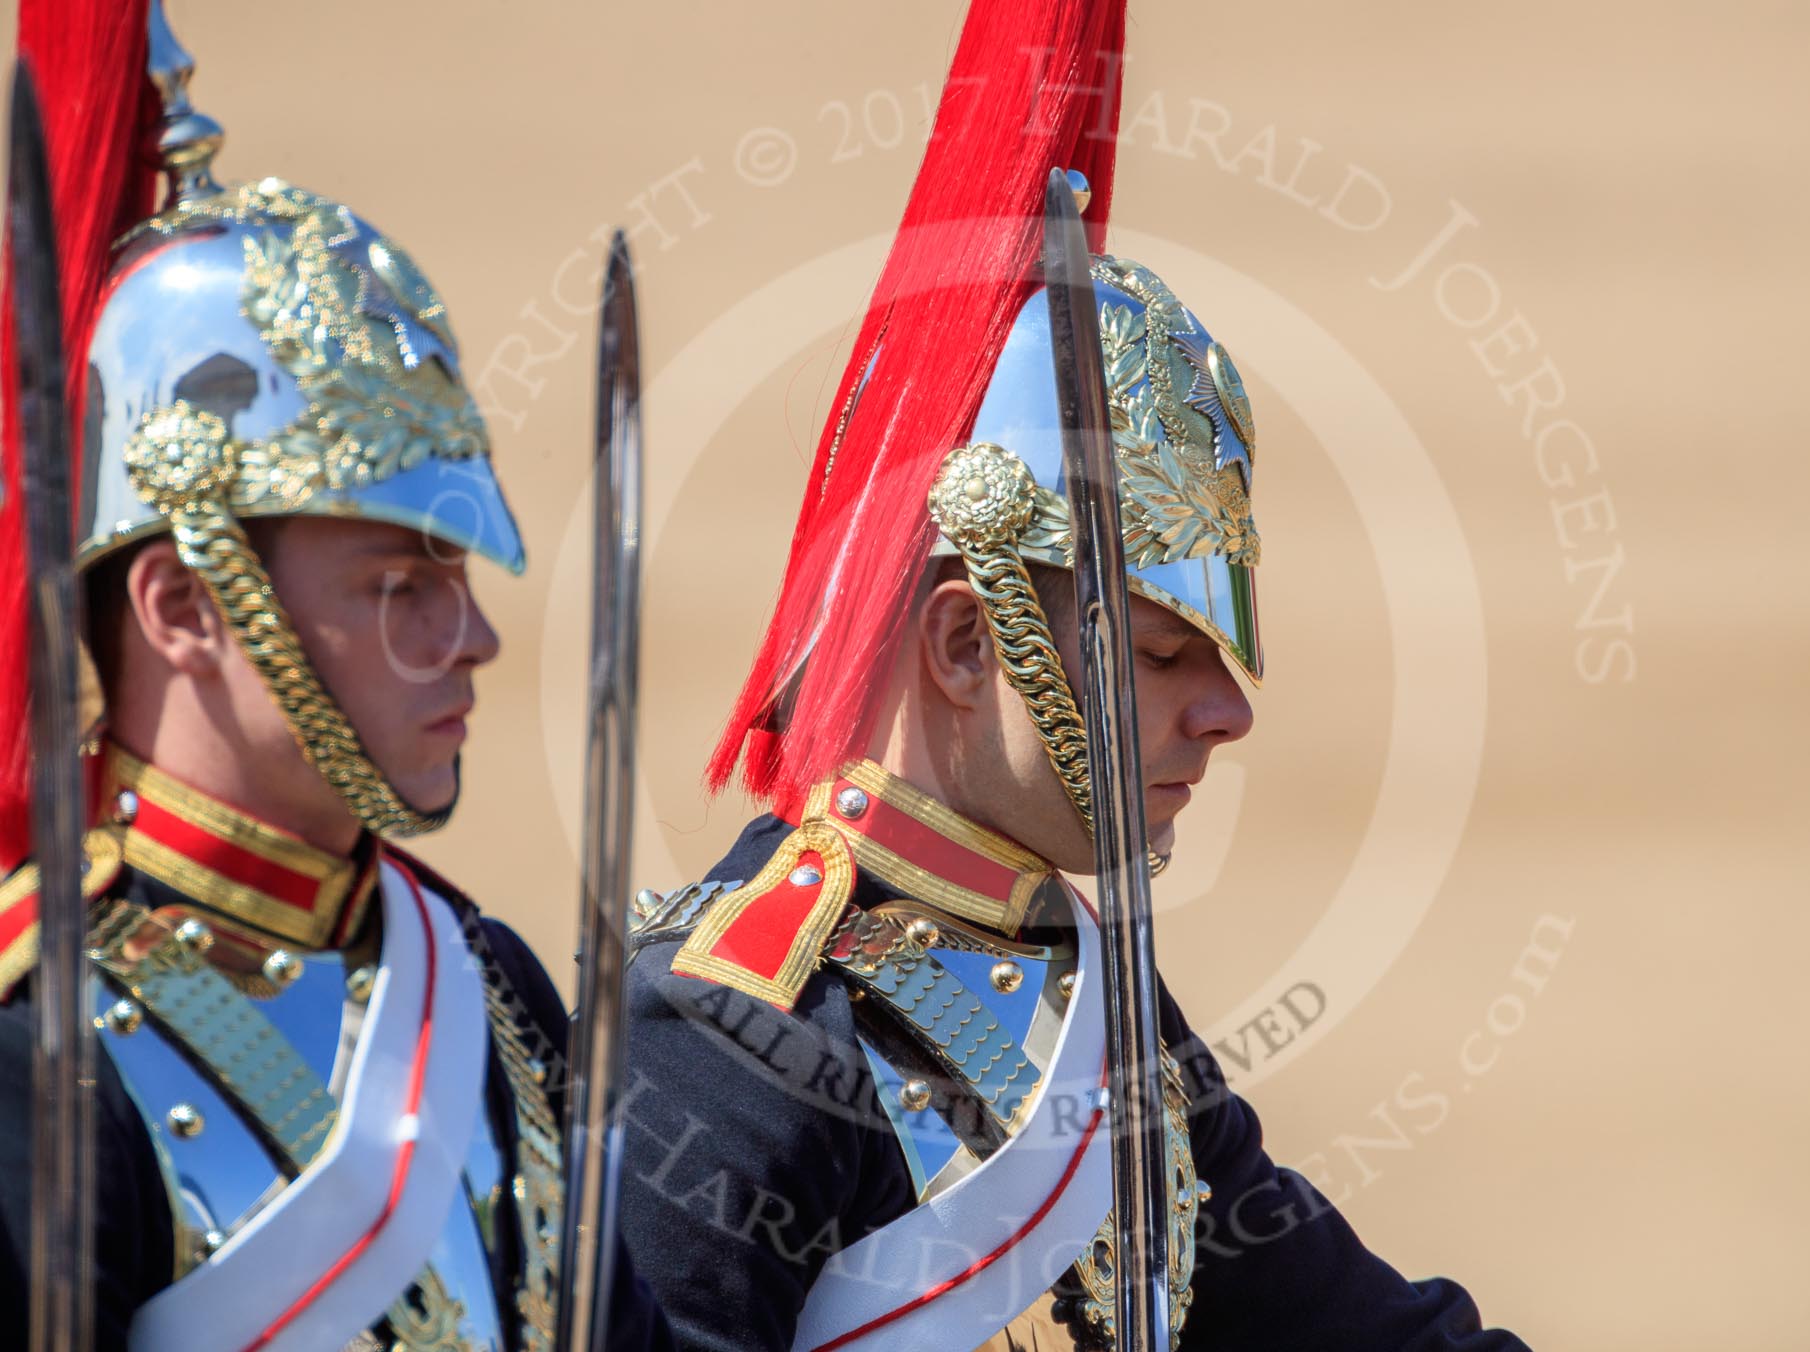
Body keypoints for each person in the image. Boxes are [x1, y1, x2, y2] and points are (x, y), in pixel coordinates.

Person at [617, 1, 1533, 1348]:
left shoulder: (1080, 987)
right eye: (1164, 656)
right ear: (964, 644)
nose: (1224, 715)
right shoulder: (725, 1040)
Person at [0, 2, 675, 1347]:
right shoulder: (41, 1049)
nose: (473, 639)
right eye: (397, 588)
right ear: (188, 604)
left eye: (459, 578)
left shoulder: (486, 984)